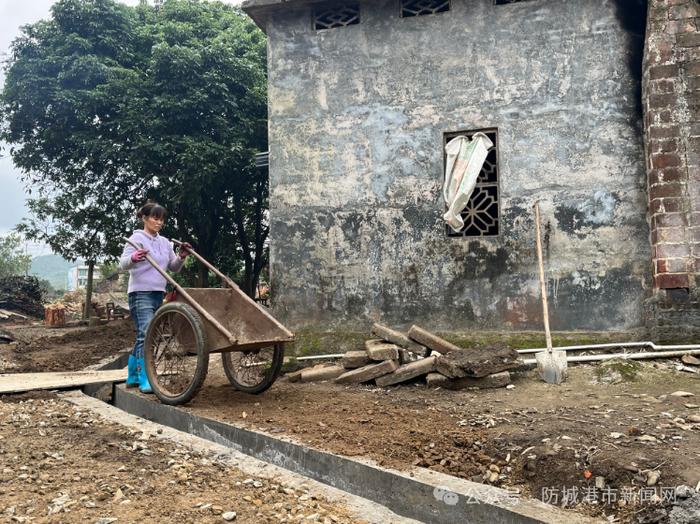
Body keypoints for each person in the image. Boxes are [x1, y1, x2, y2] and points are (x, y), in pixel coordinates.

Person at [119, 202, 191, 393]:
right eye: (155, 218)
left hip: (158, 293)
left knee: (145, 333)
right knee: (147, 332)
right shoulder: (136, 238)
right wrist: (134, 257)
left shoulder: (165, 242)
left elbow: (173, 267)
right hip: (139, 293)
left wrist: (181, 256)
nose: (159, 222)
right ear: (144, 218)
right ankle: (146, 378)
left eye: (161, 219)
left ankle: (133, 375)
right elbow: (122, 264)